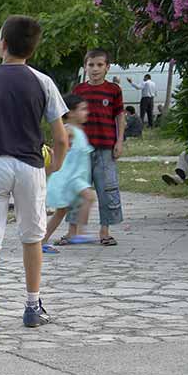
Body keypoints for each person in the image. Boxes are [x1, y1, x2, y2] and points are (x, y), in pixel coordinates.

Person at [0, 15, 69, 339]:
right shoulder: (43, 82)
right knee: (32, 236)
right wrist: (54, 166)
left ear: (2, 44)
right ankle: (33, 306)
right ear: (31, 50)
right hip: (30, 165)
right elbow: (60, 138)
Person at [69, 49, 124, 247]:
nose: (95, 69)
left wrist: (120, 141)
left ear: (107, 67)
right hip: (81, 150)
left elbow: (119, 116)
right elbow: (71, 117)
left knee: (106, 189)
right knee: (77, 190)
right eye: (91, 65)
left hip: (105, 148)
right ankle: (72, 232)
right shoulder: (79, 90)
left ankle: (104, 231)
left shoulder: (114, 90)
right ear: (85, 66)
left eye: (100, 65)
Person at [43, 94, 97, 253]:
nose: (86, 112)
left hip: (77, 176)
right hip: (69, 177)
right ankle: (80, 233)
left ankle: (42, 241)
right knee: (90, 197)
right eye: (83, 109)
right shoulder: (69, 130)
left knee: (61, 211)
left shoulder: (79, 130)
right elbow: (57, 149)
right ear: (71, 112)